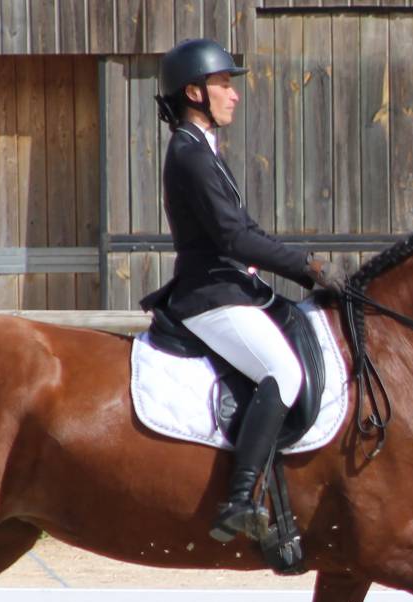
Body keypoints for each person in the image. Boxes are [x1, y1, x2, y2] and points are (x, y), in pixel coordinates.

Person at [151, 38, 344, 545]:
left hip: (234, 286)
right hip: (210, 295)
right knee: (282, 371)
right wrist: (307, 267)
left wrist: (305, 270)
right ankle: (238, 499)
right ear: (194, 92)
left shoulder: (204, 150)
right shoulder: (190, 155)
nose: (233, 95)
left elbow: (244, 228)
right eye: (223, 84)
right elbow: (232, 238)